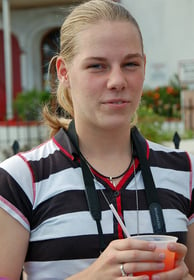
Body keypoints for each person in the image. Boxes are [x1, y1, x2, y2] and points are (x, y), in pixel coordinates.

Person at [0, 0, 193, 279]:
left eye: (130, 64)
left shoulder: (185, 171)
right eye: (97, 66)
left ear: (144, 66)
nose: (117, 81)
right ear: (63, 72)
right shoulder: (20, 179)